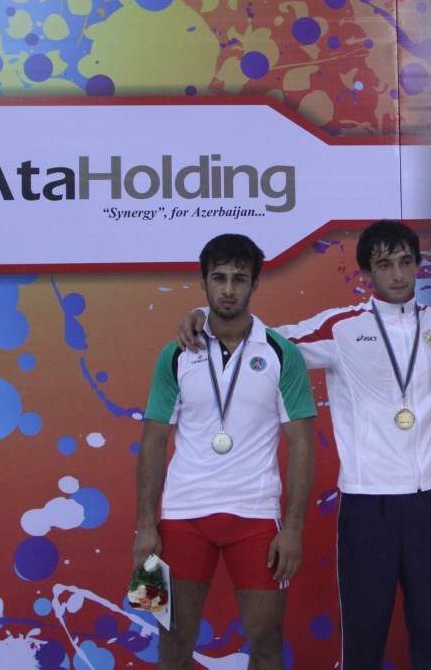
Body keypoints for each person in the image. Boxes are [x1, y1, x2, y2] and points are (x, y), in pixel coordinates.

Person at [179, 221, 431, 669]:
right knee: (364, 636)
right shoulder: (341, 328)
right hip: (368, 505)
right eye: (384, 265)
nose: (397, 274)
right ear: (367, 272)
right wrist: (203, 314)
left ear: (417, 265)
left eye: (405, 262)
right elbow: (265, 341)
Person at [134, 233, 316, 670]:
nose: (229, 289)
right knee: (172, 644)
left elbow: (302, 443)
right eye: (219, 278)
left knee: (267, 643)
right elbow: (153, 441)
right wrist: (145, 527)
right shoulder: (175, 354)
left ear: (255, 283)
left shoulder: (282, 353)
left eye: (239, 278)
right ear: (204, 283)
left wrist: (293, 528)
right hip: (180, 518)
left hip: (256, 517)